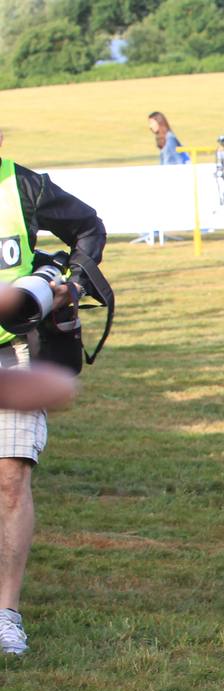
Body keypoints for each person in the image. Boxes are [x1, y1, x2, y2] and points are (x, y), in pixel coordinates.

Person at [0, 151, 107, 655]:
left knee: (10, 477)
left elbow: (88, 227)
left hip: (13, 350)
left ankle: (5, 615)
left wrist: (70, 285)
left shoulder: (22, 186)